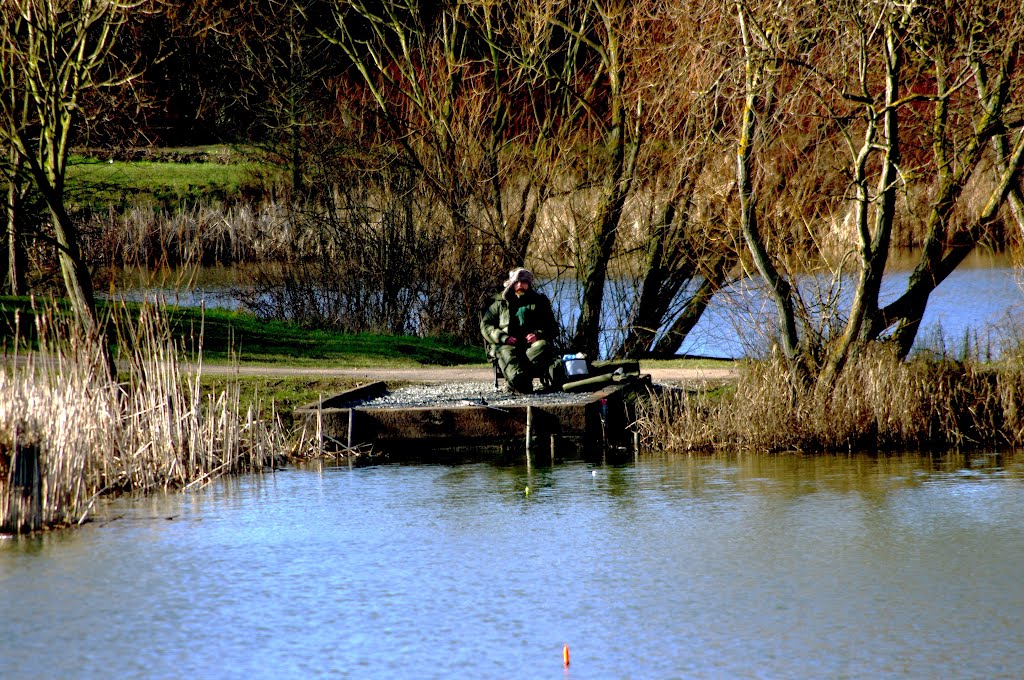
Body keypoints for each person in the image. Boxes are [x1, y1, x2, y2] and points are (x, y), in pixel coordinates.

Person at [480, 267, 560, 394]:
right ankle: (520, 382)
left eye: (523, 282)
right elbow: (486, 325)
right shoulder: (500, 302)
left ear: (529, 284)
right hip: (507, 344)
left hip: (532, 347)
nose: (520, 285)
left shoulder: (540, 302)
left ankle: (518, 381)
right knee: (505, 353)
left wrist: (538, 335)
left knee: (543, 346)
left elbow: (553, 328)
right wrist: (503, 337)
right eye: (517, 282)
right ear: (511, 284)